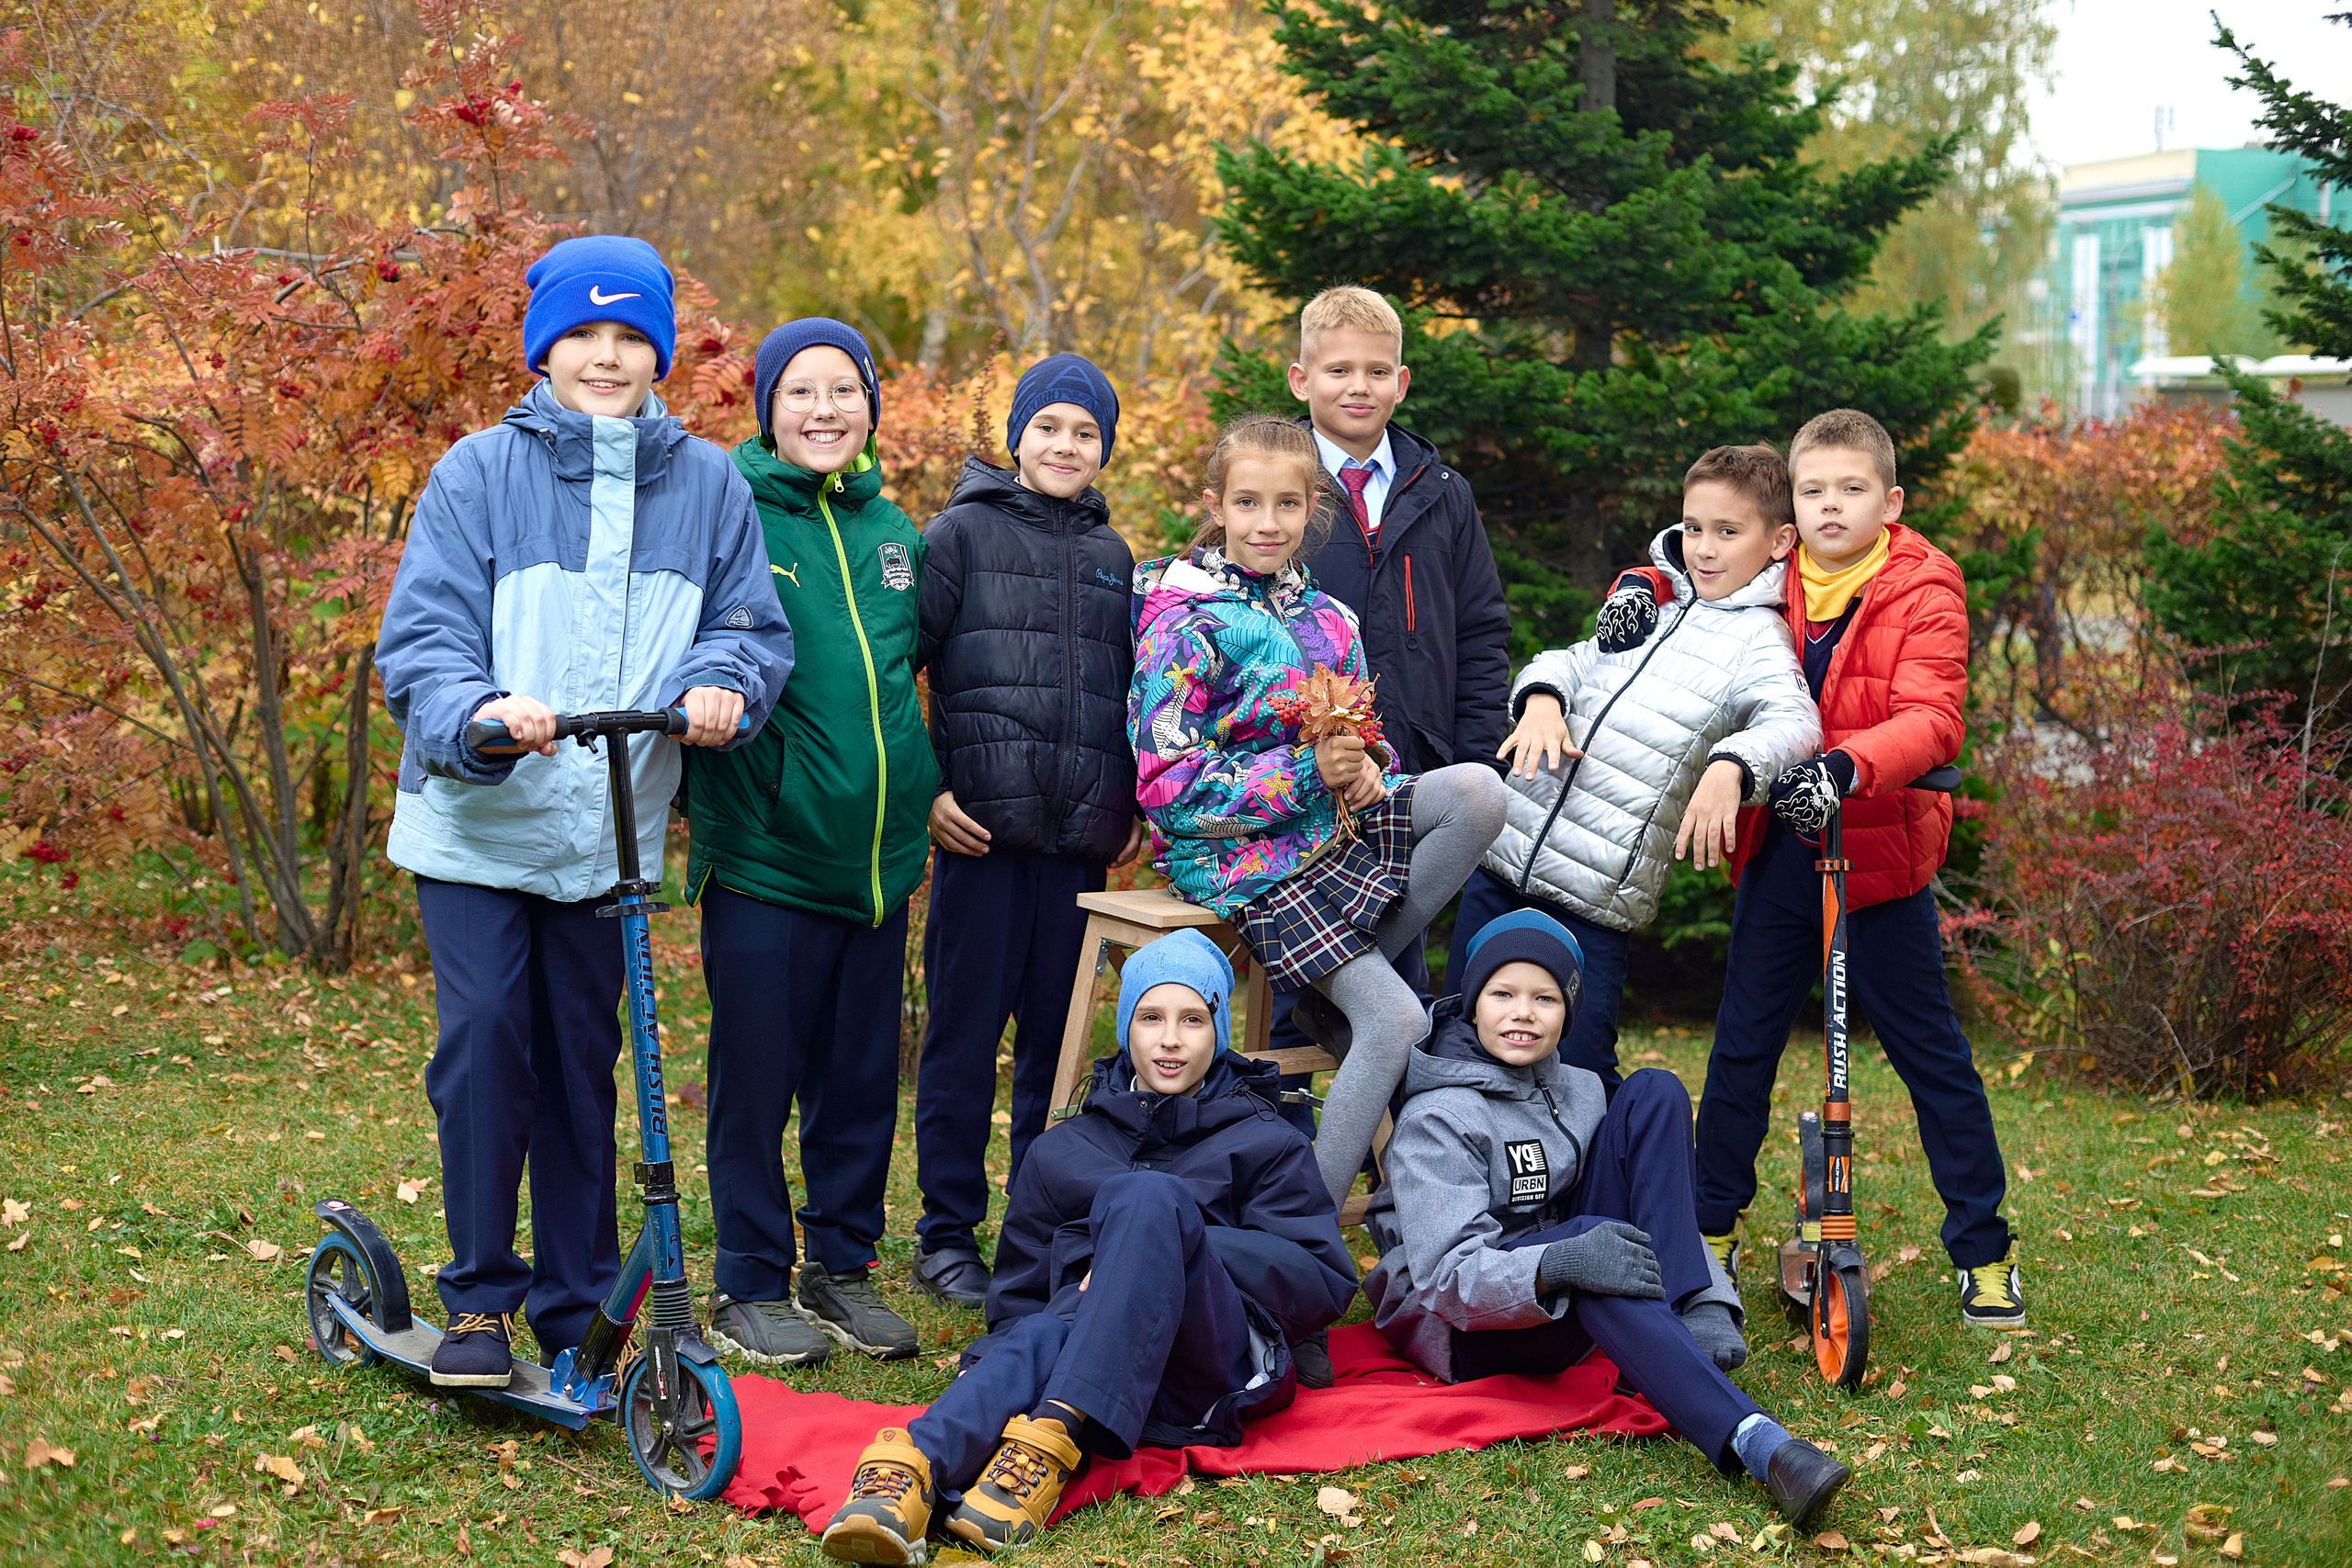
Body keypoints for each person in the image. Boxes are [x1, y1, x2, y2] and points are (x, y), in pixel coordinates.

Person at [375, 234, 793, 1388]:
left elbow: (749, 626)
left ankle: (573, 1303)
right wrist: (482, 711)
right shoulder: (476, 473)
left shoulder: (705, 482)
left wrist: (723, 685)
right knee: (485, 1049)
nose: (606, 357)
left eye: (629, 338)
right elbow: (423, 641)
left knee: (581, 1060)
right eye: (583, 335)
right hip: (476, 824)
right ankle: (477, 1300)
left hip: (607, 831)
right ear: (543, 346)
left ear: (657, 351)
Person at [818, 930, 1356, 1562]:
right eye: (1151, 1016)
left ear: (1220, 1030)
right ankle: (915, 1468)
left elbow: (1320, 1278)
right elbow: (1017, 1305)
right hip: (1092, 1362)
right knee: (1058, 1318)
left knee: (1151, 1200)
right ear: (1126, 1024)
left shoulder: (1266, 1139)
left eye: (1193, 1018)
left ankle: (1048, 1437)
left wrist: (1159, 1254)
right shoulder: (1062, 1150)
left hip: (1211, 1369)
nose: (1171, 1039)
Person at [1685, 408, 2022, 1328]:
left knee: (1932, 1058)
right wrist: (1638, 585)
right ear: (1790, 508)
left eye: (1852, 489)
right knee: (1742, 1048)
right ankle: (1709, 1235)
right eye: (1814, 490)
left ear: (1890, 499)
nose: (1832, 506)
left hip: (1878, 860)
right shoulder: (1773, 570)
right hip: (1781, 857)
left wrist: (1844, 766)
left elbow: (1934, 719)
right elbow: (1691, 556)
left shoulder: (1922, 587)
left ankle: (1983, 1255)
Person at [1127, 413, 1508, 1212]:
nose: (1268, 523)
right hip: (1241, 854)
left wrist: (1370, 769)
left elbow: (1365, 737)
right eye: (1248, 504)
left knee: (1479, 792)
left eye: (1288, 506)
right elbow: (1169, 786)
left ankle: (1325, 983)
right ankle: (1299, 1230)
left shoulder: (1329, 617)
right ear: (1216, 505)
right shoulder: (1183, 617)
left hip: (1333, 833)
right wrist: (1307, 774)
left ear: (1314, 509)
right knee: (1396, 1016)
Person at [1364, 910, 1852, 1529]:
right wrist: (1559, 1260)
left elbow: (1653, 1196)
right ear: (1472, 1003)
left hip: (1561, 1278)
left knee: (1654, 1091)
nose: (1523, 1012)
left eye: (1544, 997)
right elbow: (1446, 1277)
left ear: (1568, 1010)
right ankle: (1760, 1444)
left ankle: (1689, 1306)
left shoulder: (1581, 1088)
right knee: (1584, 1249)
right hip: (1467, 1325)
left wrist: (1709, 1290)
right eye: (1502, 994)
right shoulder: (1437, 1117)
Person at [683, 319, 933, 1368]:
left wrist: (937, 787)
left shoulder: (899, 540)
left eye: (844, 391)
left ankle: (840, 1267)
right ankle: (749, 1278)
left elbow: (924, 682)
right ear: (767, 409)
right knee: (757, 1076)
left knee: (861, 1079)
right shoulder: (726, 515)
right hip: (768, 860)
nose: (825, 410)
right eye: (801, 393)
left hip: (877, 868)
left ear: (872, 405)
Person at [1453, 445, 1822, 1085]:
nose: (1704, 548)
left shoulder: (1760, 640)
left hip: (1594, 899)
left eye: (1728, 532)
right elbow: (1570, 657)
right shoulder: (1648, 606)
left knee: (1583, 1071)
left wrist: (1731, 764)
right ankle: (1433, 1174)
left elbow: (1796, 725)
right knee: (1459, 1035)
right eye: (1695, 527)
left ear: (1780, 540)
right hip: (1503, 861)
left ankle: (1594, 1184)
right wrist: (1541, 698)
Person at [910, 353, 1143, 1310]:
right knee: (963, 1044)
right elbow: (900, 668)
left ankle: (1039, 1229)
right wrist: (926, 790)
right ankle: (945, 1232)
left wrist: (1135, 802)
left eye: (1084, 433)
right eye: (1048, 427)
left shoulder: (1116, 559)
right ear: (1016, 437)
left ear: (1103, 451)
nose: (1064, 445)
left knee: (1056, 1051)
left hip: (1081, 849)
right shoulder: (957, 535)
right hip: (981, 843)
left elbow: (1142, 693)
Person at [1269, 286, 1512, 1108]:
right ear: (1302, 378)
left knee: (1398, 979)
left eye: (1377, 371)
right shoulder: (1278, 487)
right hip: (1306, 788)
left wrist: (1473, 763)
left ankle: (1400, 1176)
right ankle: (1281, 1152)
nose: (1358, 386)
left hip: (1416, 780)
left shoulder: (1441, 492)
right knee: (1303, 983)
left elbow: (1479, 630)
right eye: (1339, 369)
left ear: (1402, 382)